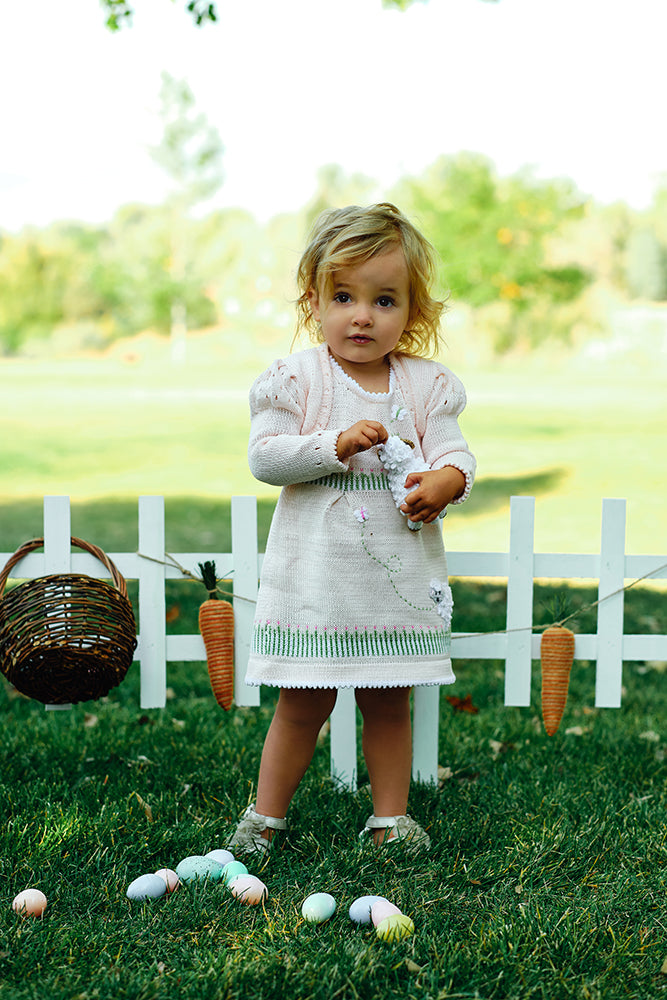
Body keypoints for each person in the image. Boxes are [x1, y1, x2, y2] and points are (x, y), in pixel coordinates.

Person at [230, 203, 476, 855]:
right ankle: (264, 817)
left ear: (411, 311)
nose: (362, 315)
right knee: (301, 704)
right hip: (317, 579)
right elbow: (265, 457)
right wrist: (332, 443)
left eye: (384, 299)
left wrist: (448, 480)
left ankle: (389, 817)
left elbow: (453, 450)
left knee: (388, 701)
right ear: (314, 302)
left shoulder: (424, 386)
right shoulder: (297, 379)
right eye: (343, 296)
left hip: (388, 585)